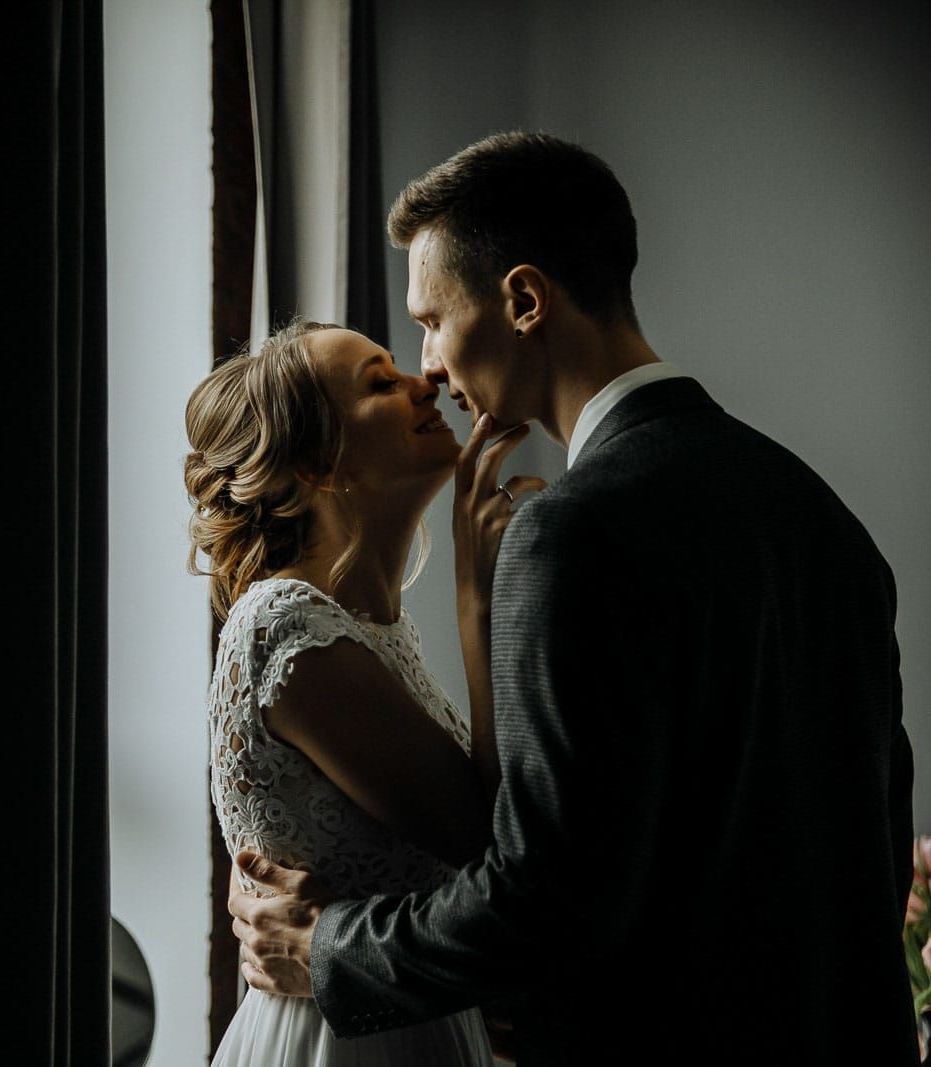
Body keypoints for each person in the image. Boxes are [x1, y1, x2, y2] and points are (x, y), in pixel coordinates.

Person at [226, 132, 916, 1064]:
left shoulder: (572, 531)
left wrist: (327, 949)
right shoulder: (822, 518)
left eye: (430, 320)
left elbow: (547, 891)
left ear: (521, 299)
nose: (429, 366)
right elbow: (872, 836)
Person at [185, 317, 545, 1064]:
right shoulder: (287, 630)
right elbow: (490, 838)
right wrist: (478, 592)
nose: (425, 382)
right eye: (382, 382)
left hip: (401, 1016)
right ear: (318, 463)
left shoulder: (371, 628)